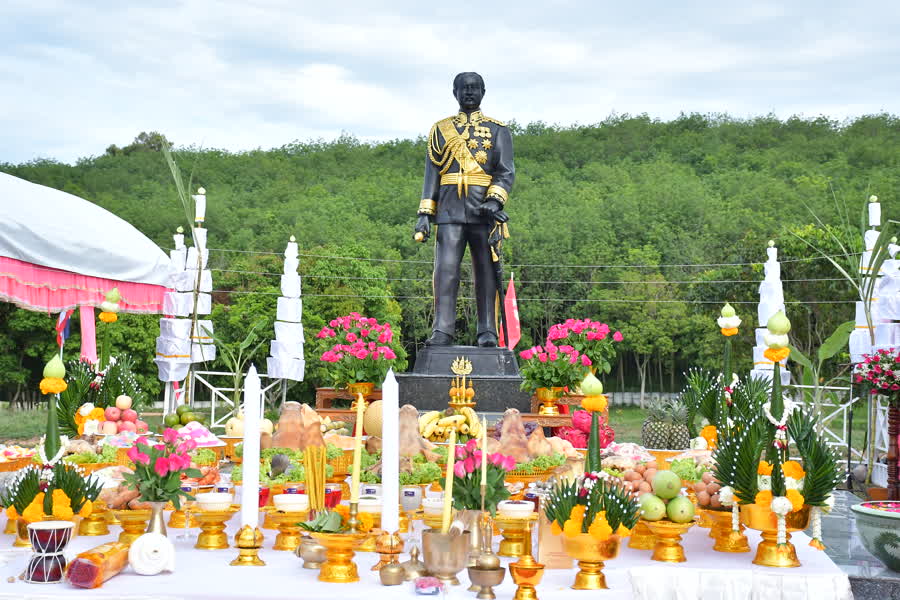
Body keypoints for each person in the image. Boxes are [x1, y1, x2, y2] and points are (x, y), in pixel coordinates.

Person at [414, 72, 515, 347]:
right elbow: (432, 173)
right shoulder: (440, 129)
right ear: (455, 92)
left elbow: (505, 173)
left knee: (485, 272)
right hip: (449, 210)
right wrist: (425, 214)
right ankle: (442, 331)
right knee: (445, 271)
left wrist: (494, 201)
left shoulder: (498, 130)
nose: (469, 92)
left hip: (484, 211)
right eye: (464, 88)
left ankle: (487, 332)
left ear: (483, 91)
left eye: (474, 88)